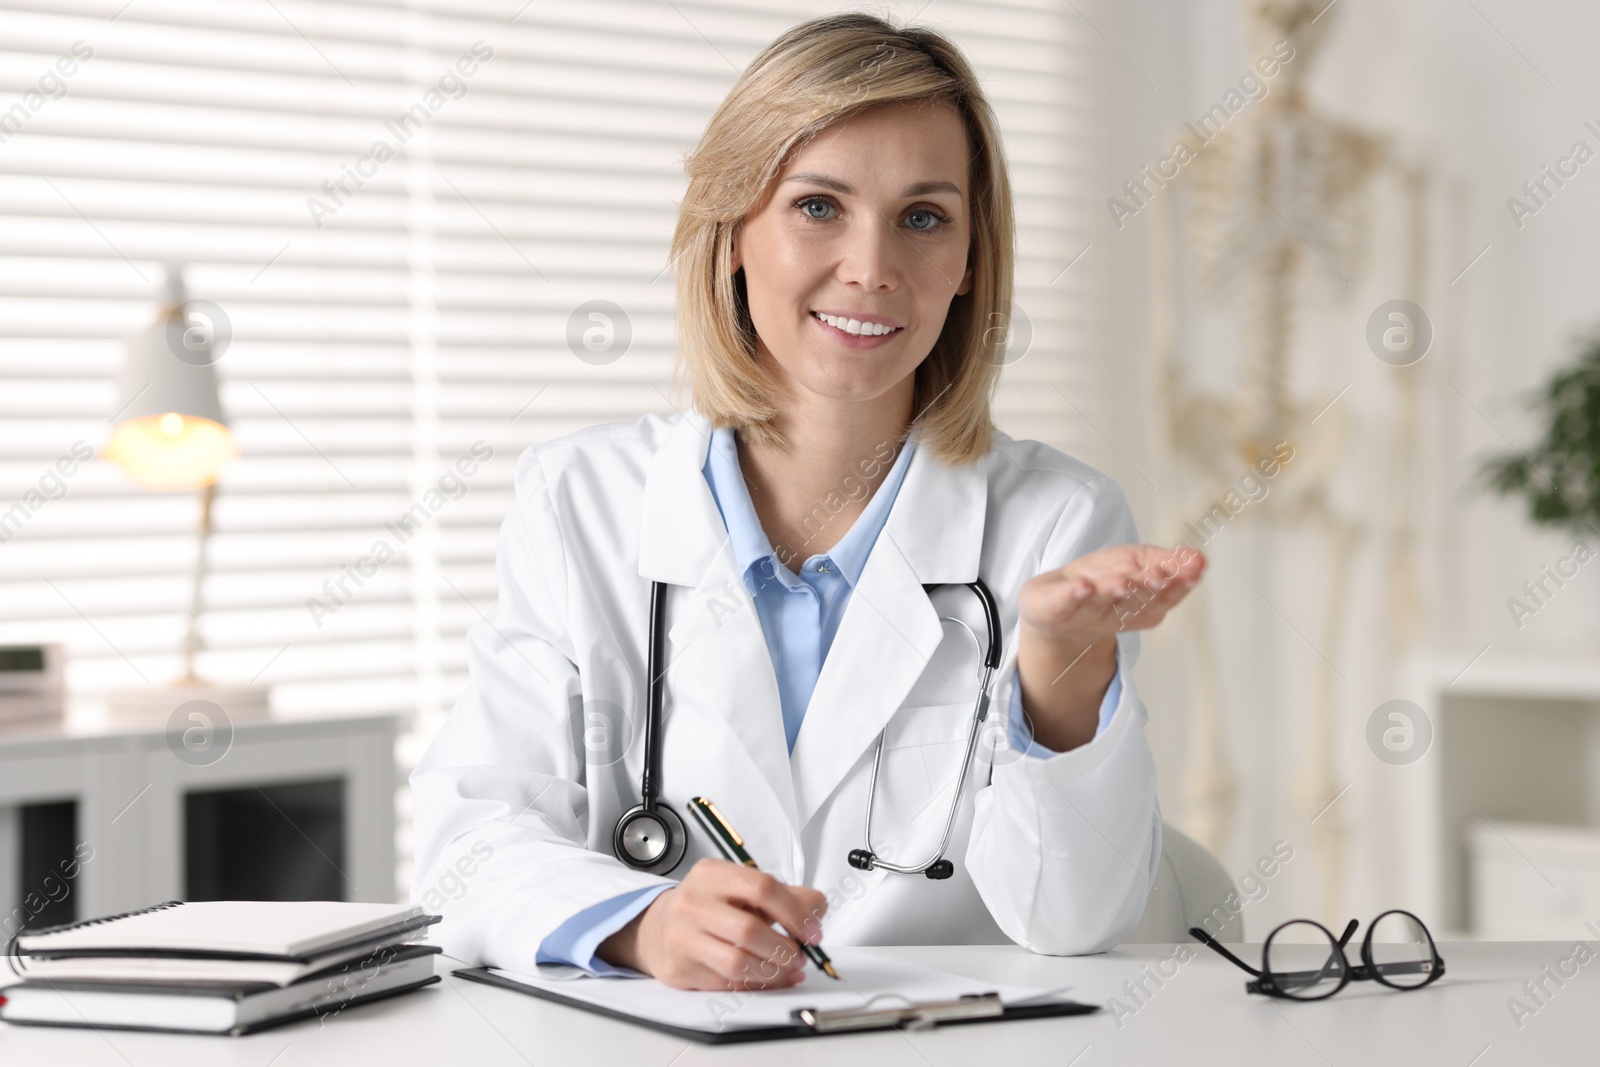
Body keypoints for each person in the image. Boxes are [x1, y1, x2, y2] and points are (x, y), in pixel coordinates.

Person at [409, 12, 1206, 993]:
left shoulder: (1058, 521)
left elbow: (1076, 923)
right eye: (818, 206)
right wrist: (643, 923)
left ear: (966, 266)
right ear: (735, 229)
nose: (871, 267)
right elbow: (469, 839)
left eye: (923, 217)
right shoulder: (580, 502)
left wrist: (1058, 674)